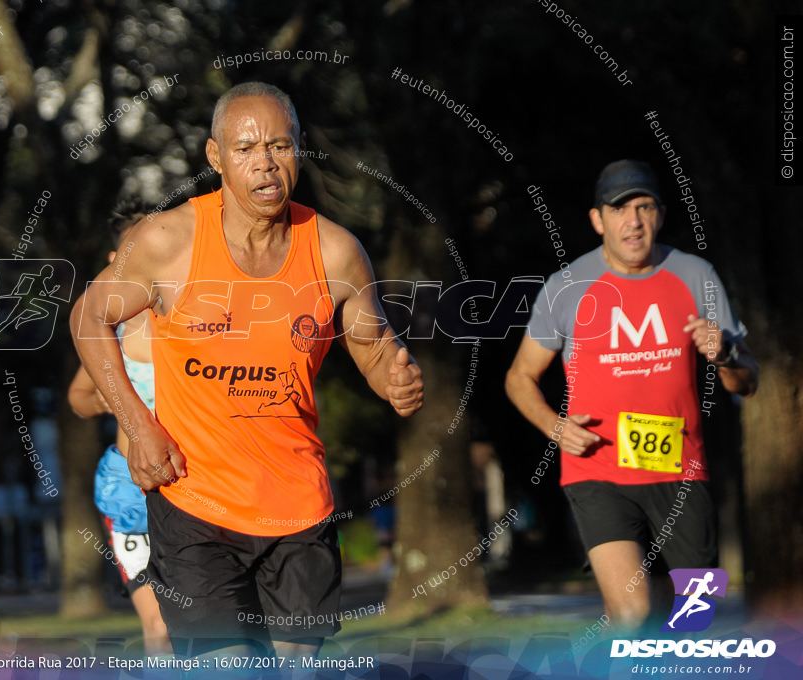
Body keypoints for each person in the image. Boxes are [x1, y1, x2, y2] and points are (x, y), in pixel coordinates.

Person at [70, 81, 424, 658]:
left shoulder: (335, 252)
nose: (265, 164)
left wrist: (396, 379)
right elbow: (88, 318)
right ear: (216, 157)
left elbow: (376, 349)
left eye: (280, 147)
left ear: (300, 149)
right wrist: (138, 426)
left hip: (298, 507)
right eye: (245, 149)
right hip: (193, 505)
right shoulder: (168, 241)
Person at [505, 159, 758, 631]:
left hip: (681, 471)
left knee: (693, 620)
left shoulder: (696, 275)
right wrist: (554, 427)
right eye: (619, 209)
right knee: (632, 612)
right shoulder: (566, 287)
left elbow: (748, 381)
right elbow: (519, 377)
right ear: (598, 219)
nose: (633, 221)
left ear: (660, 214)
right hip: (598, 470)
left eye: (643, 207)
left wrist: (724, 355)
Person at [68, 210, 170, 656]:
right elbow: (79, 396)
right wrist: (112, 400)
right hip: (128, 491)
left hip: (198, 483)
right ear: (116, 260)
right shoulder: (110, 326)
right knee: (160, 629)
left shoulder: (195, 317)